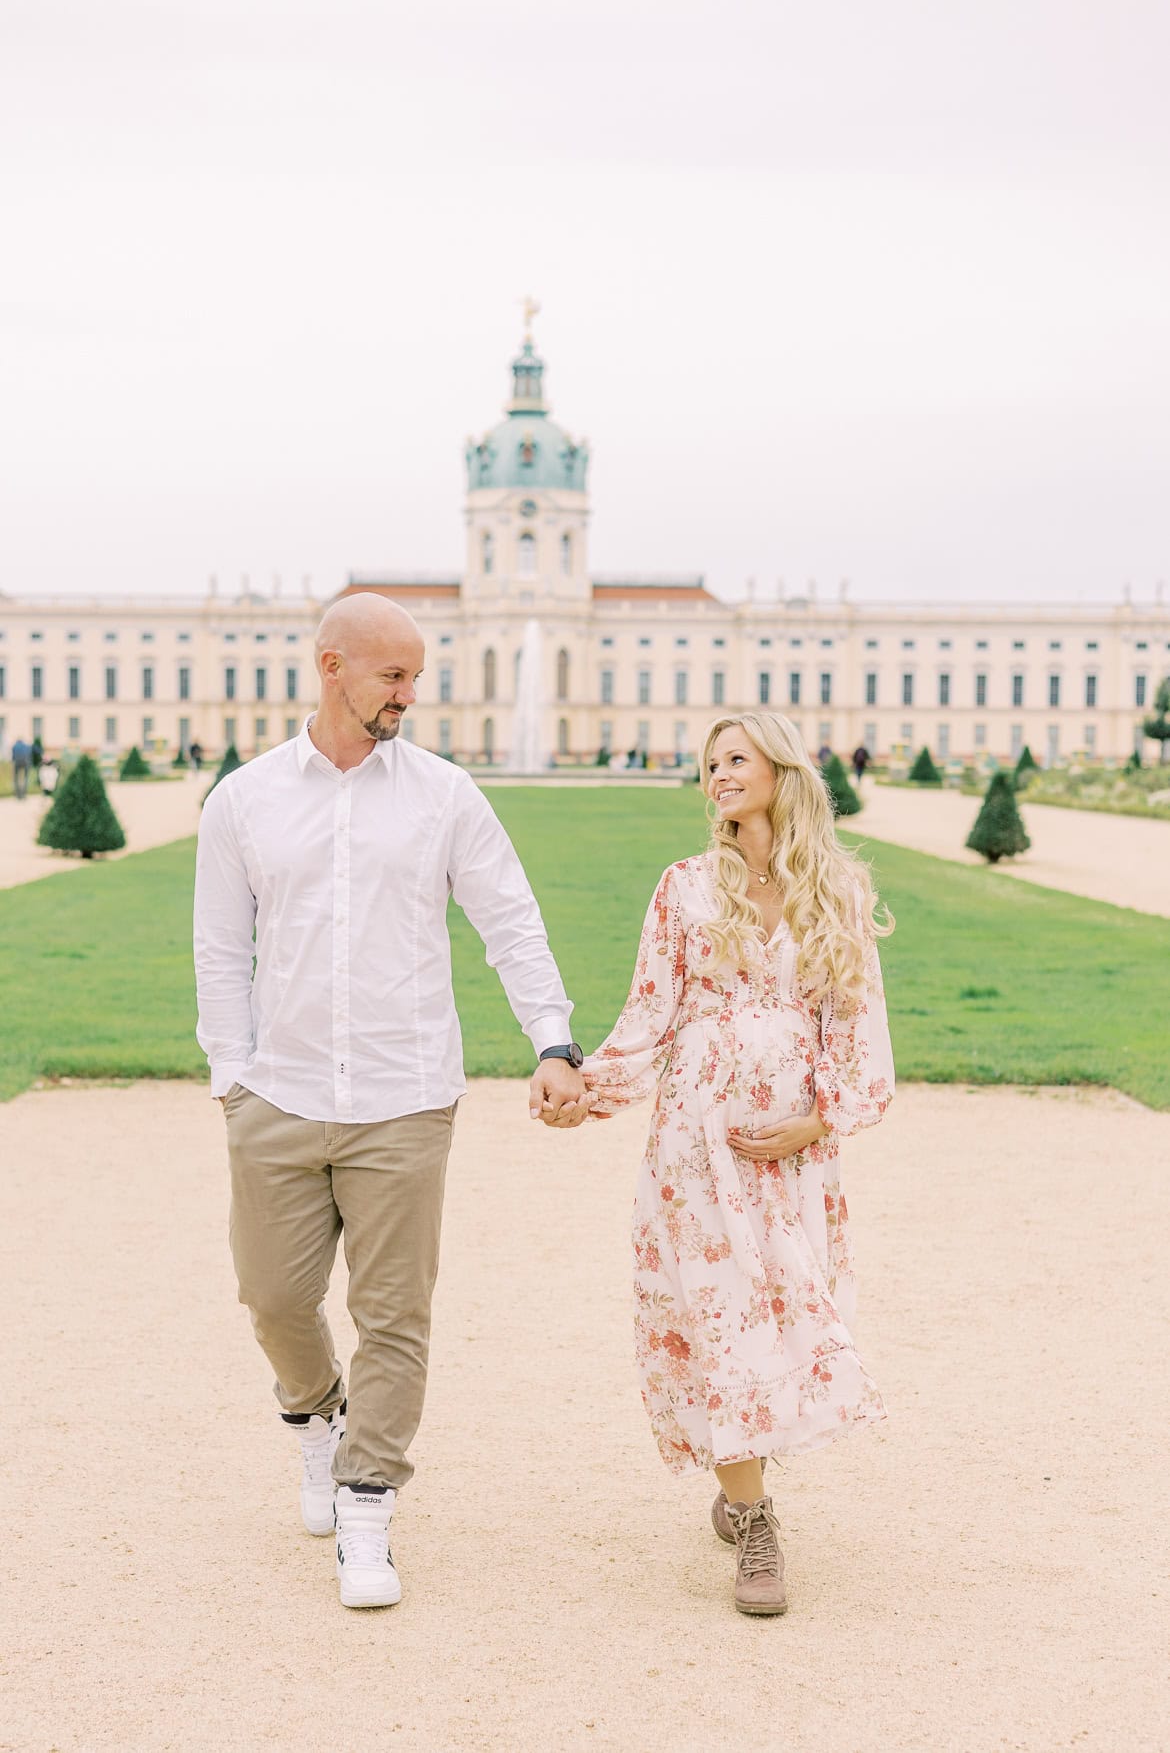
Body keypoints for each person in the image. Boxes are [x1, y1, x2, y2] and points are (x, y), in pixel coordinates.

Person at [194, 592, 589, 1611]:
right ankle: (316, 1419)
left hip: (404, 1095)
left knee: (394, 1316)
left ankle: (368, 1506)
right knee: (273, 1298)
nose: (412, 695)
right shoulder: (243, 800)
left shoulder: (446, 796)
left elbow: (512, 921)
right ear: (332, 667)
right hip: (275, 1091)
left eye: (416, 676)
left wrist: (553, 1040)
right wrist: (230, 1073)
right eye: (394, 676)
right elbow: (218, 949)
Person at [581, 710, 895, 1617]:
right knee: (719, 1315)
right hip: (695, 1143)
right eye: (709, 763)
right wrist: (584, 1087)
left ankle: (739, 1483)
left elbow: (857, 1023)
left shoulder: (833, 888)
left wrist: (815, 1120)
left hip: (793, 1150)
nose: (717, 774)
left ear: (780, 770)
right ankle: (757, 1520)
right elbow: (650, 1015)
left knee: (783, 1315)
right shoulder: (684, 887)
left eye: (735, 758)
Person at [11, 737, 31, 801]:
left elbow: (13, 757)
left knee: (16, 779)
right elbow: (28, 755)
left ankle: (18, 795)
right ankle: (24, 794)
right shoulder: (26, 746)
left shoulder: (14, 746)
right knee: (25, 778)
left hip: (17, 762)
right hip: (25, 762)